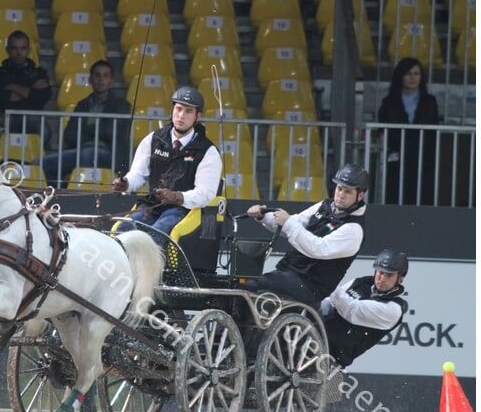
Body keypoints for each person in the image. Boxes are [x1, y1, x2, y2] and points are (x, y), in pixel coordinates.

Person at [244, 163, 370, 309]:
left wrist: (288, 222)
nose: (341, 194)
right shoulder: (325, 206)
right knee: (241, 284)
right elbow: (294, 222)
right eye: (339, 188)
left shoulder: (354, 229)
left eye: (347, 191)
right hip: (289, 273)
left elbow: (318, 248)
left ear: (360, 195)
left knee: (250, 286)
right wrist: (263, 216)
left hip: (310, 286)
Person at [111, 86, 222, 235]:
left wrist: (177, 197)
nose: (181, 115)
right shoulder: (153, 139)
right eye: (178, 109)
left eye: (188, 111)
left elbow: (205, 194)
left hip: (183, 210)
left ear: (198, 116)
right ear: (172, 110)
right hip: (151, 205)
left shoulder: (208, 151)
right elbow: (139, 174)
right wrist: (126, 183)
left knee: (158, 233)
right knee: (122, 230)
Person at [40, 60, 131, 186]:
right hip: (82, 150)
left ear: (111, 81)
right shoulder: (82, 105)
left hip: (109, 154)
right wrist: (97, 130)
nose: (101, 79)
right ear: (90, 79)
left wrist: (86, 130)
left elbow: (110, 132)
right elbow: (69, 135)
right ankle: (61, 193)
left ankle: (84, 194)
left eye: (105, 76)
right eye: (97, 75)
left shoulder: (121, 105)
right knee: (45, 163)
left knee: (88, 154)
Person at [320, 249, 409, 369]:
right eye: (380, 272)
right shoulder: (360, 282)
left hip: (330, 357)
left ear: (400, 278)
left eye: (389, 275)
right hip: (314, 332)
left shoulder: (393, 309)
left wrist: (328, 280)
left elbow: (351, 311)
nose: (382, 278)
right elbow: (328, 302)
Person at [377, 57, 439, 205]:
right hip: (396, 156)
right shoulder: (389, 102)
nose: (413, 78)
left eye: (416, 73)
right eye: (408, 73)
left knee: (421, 194)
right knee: (394, 194)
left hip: (422, 157)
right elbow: (382, 128)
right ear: (400, 76)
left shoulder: (430, 101)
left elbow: (433, 130)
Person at [0, 30, 51, 138]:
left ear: (28, 50)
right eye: (14, 48)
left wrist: (12, 87)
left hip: (31, 118)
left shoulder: (39, 73)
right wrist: (31, 90)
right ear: (7, 50)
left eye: (23, 48)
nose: (19, 53)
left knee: (45, 131)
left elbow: (42, 97)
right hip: (4, 117)